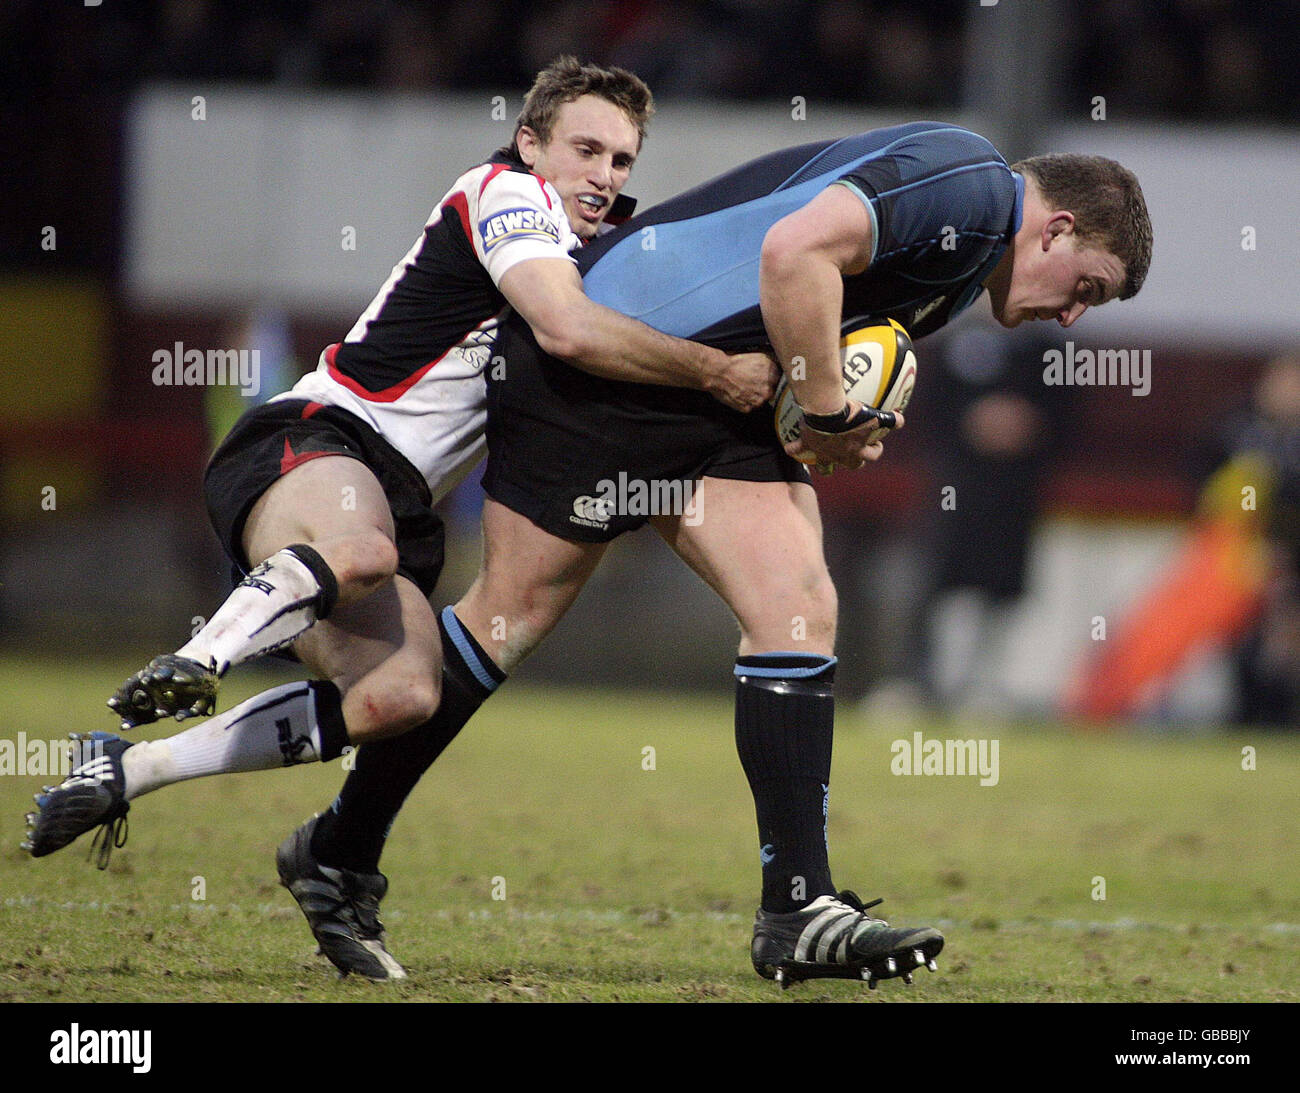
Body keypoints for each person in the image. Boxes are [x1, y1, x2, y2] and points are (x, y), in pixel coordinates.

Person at [29, 120, 1153, 989]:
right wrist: (822, 407)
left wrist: (827, 415)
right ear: (1055, 228)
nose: (1071, 320)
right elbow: (793, 248)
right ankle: (332, 842)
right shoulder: (964, 183)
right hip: (611, 368)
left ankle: (795, 910)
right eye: (1086, 290)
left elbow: (803, 312)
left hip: (699, 396)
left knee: (793, 605)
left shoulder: (964, 267)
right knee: (491, 632)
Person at [22, 57, 773, 974]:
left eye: (622, 159)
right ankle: (197, 658)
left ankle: (127, 768)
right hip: (317, 439)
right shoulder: (500, 191)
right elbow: (571, 330)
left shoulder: (601, 253)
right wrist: (716, 372)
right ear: (530, 142)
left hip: (395, 507)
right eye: (586, 148)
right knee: (363, 546)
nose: (605, 175)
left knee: (401, 697)